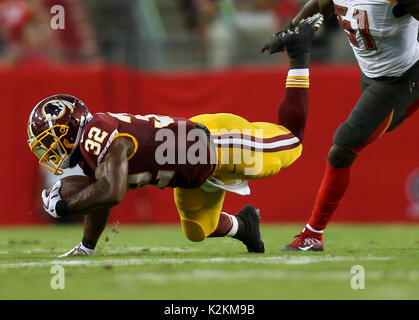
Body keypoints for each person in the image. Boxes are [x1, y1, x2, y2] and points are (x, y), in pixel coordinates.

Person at [27, 14, 324, 257]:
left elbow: (111, 192)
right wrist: (86, 247)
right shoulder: (92, 147)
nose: (48, 151)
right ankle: (246, 225)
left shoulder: (97, 134)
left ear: (68, 132)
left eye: (49, 140)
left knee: (292, 141)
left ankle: (299, 53)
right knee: (197, 228)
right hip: (193, 165)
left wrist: (65, 206)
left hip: (217, 145)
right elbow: (101, 196)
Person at [262, 0, 419, 251]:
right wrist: (288, 31)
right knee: (354, 140)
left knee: (343, 147)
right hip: (372, 76)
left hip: (401, 80)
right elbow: (321, 5)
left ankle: (312, 235)